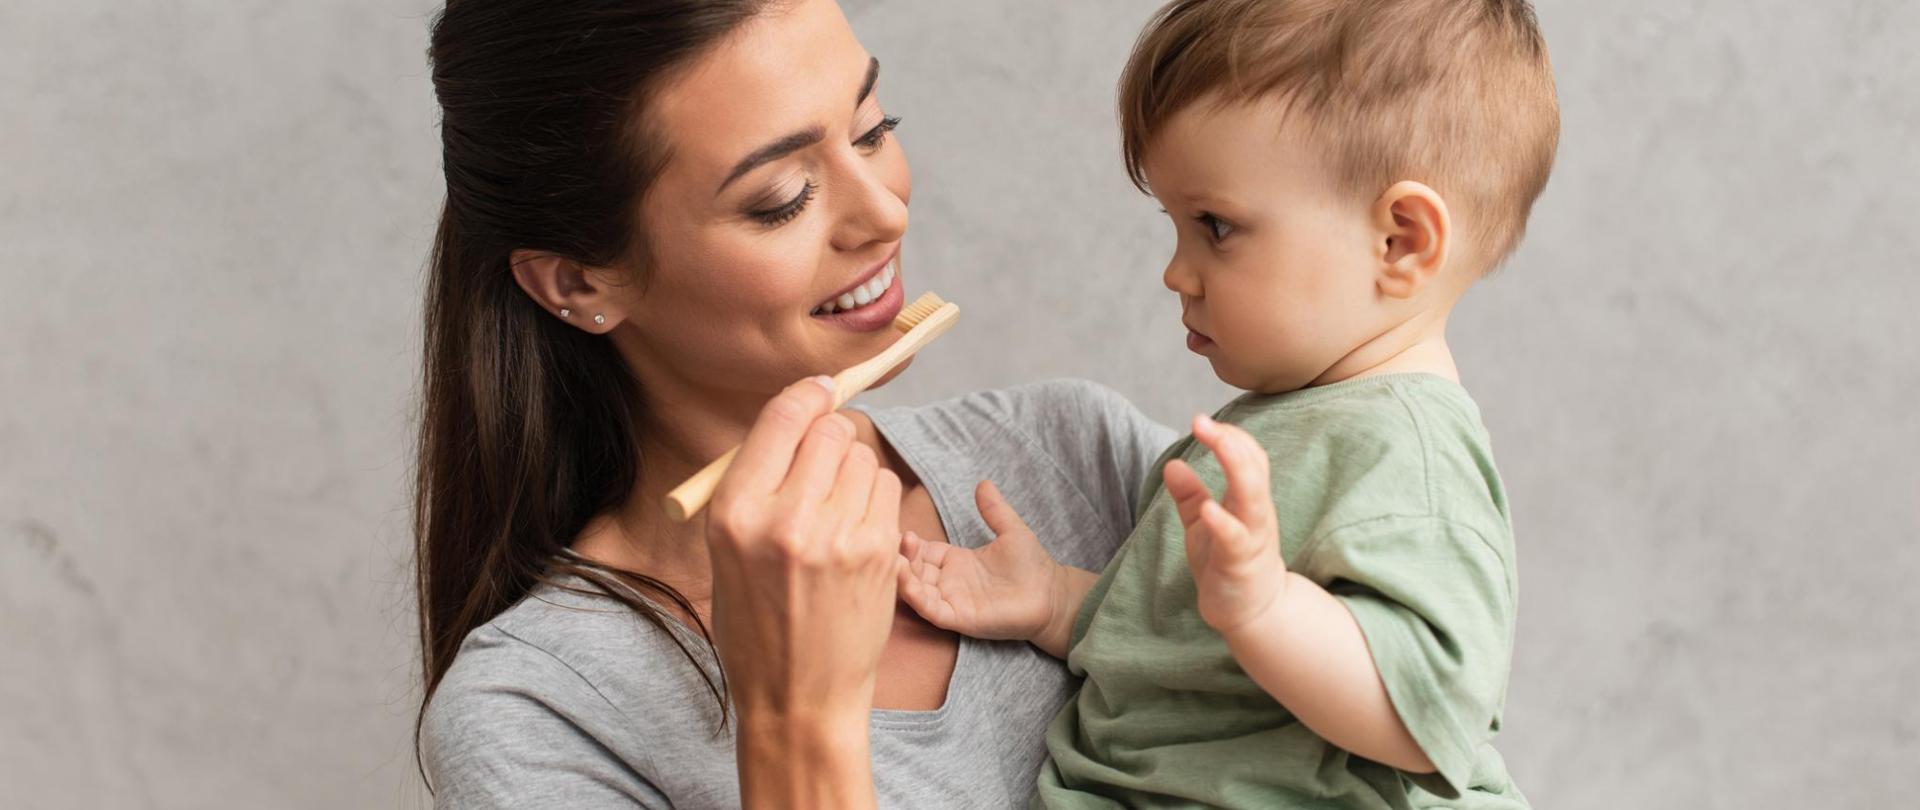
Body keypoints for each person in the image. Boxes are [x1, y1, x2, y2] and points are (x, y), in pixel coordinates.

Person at [412, 0, 1172, 807]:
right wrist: (796, 716)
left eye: (873, 130)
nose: (885, 214)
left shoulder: (1078, 456)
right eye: (780, 198)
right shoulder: (540, 714)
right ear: (578, 281)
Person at [894, 0, 1560, 806]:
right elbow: (1186, 665)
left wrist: (1268, 608)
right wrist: (1055, 602)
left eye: (1215, 226)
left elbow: (1425, 714)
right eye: (1175, 226)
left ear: (1401, 242)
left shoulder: (1406, 457)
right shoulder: (1282, 426)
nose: (1177, 272)